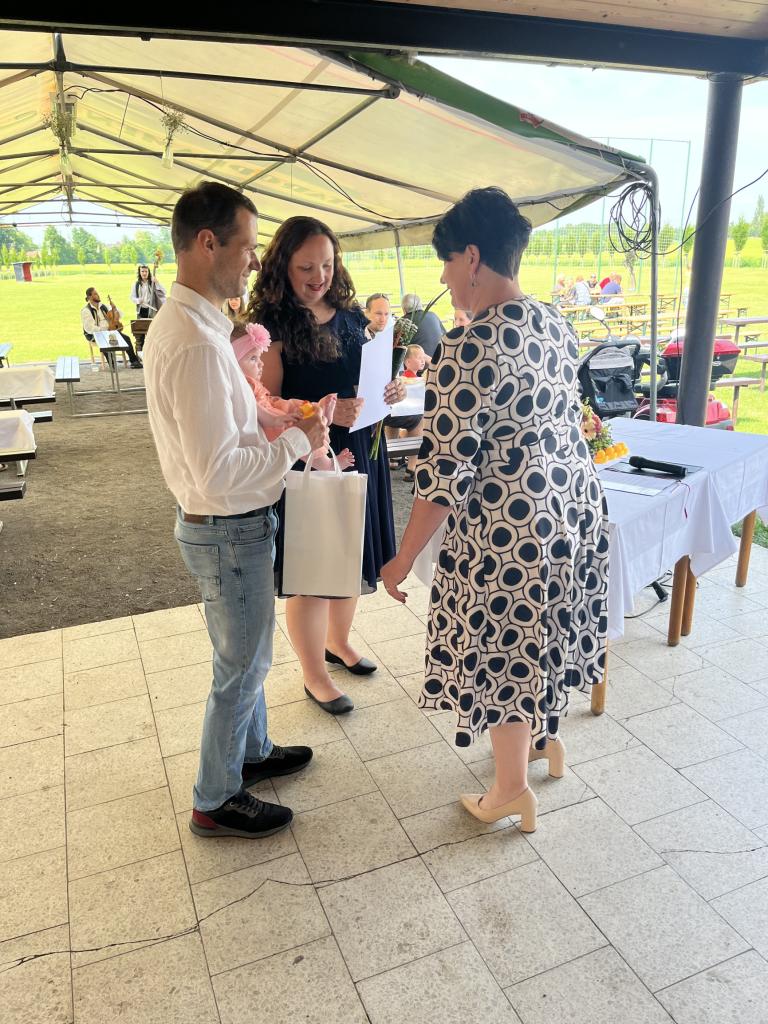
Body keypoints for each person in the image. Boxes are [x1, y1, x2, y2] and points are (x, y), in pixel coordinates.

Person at [381, 187, 609, 834]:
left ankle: (511, 790)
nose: (444, 278)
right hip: (573, 509)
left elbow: (441, 476)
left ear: (474, 258)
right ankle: (542, 745)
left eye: (447, 262)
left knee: (505, 650)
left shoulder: (466, 346)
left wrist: (401, 558)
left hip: (511, 528)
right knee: (545, 636)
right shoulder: (553, 322)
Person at [144, 181, 329, 840]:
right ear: (207, 243)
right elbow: (218, 471)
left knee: (247, 655)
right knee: (242, 666)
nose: (254, 260)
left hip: (227, 526)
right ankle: (216, 796)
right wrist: (295, 443)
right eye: (247, 246)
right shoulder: (195, 342)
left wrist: (272, 421)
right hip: (227, 527)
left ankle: (249, 752)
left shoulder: (196, 325)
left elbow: (224, 431)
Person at [249, 216, 406, 715]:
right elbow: (264, 403)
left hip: (359, 449)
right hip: (307, 457)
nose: (319, 276)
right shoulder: (270, 325)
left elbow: (366, 378)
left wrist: (390, 389)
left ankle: (338, 642)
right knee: (314, 567)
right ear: (282, 267)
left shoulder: (352, 315)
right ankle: (313, 672)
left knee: (351, 553)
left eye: (327, 265)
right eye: (306, 267)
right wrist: (322, 411)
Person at [231, 320, 354, 471]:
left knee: (294, 406)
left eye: (259, 357)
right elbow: (254, 407)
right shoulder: (241, 384)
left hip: (270, 405)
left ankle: (317, 413)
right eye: (253, 358)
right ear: (233, 362)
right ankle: (325, 464)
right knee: (295, 428)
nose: (261, 364)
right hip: (267, 421)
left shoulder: (247, 381)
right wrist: (274, 419)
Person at [81, 287, 142, 368]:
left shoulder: (103, 306)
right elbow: (89, 328)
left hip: (110, 331)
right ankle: (112, 364)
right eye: (95, 294)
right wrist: (104, 330)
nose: (98, 295)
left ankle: (134, 361)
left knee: (126, 338)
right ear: (89, 297)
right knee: (105, 341)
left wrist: (114, 309)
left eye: (97, 293)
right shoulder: (86, 311)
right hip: (95, 334)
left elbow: (120, 315)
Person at [400, 293, 444, 358]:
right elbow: (444, 334)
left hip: (420, 361)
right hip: (440, 357)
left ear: (404, 309)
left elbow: (397, 347)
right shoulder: (433, 315)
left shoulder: (403, 322)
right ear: (420, 305)